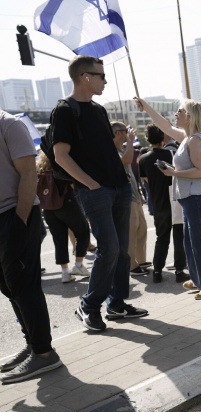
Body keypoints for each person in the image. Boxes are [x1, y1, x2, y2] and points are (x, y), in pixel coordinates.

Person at [53, 56, 148, 331]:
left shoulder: (97, 110)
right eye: (101, 76)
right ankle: (89, 305)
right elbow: (60, 156)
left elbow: (107, 153)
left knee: (122, 252)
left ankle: (116, 304)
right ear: (85, 77)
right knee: (110, 249)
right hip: (95, 192)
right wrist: (89, 183)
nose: (105, 81)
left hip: (118, 188)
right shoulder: (65, 110)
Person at [134, 97, 201, 300]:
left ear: (191, 116)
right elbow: (164, 125)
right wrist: (147, 107)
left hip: (197, 198)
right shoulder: (187, 137)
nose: (176, 114)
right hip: (190, 198)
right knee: (191, 243)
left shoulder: (195, 140)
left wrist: (173, 173)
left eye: (180, 111)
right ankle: (199, 279)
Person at [0, 109, 63, 383]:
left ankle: (45, 354)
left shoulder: (9, 125)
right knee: (9, 286)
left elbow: (29, 174)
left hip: (15, 213)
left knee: (24, 286)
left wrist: (20, 222)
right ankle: (32, 344)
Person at [138, 124, 189, 283]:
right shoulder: (173, 153)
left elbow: (145, 180)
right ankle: (180, 271)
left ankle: (157, 271)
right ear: (163, 137)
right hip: (175, 198)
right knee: (179, 236)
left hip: (158, 200)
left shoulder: (144, 159)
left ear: (148, 139)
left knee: (162, 237)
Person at [36, 151, 91, 283]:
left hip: (48, 208)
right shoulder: (61, 166)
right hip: (66, 204)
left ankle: (65, 272)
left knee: (59, 239)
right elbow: (73, 183)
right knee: (83, 232)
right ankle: (78, 265)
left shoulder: (40, 170)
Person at [110, 122, 149, 277]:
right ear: (118, 133)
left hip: (133, 194)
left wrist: (138, 193)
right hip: (124, 196)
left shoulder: (121, 149)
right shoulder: (111, 150)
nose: (128, 133)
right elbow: (126, 161)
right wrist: (131, 141)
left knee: (142, 228)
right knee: (131, 232)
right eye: (125, 131)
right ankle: (132, 265)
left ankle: (141, 260)